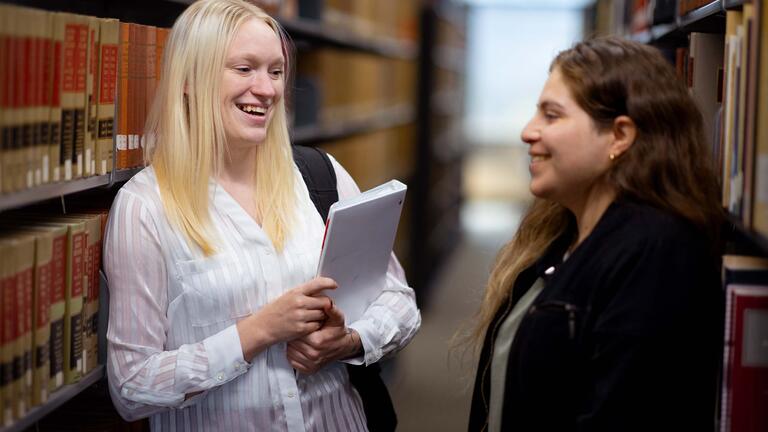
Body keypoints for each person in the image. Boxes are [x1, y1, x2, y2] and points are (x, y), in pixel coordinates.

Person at [103, 1, 421, 430]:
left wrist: (347, 342)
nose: (267, 89)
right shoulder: (145, 207)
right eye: (244, 68)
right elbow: (131, 386)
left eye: (275, 71)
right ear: (190, 80)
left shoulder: (319, 177)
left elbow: (399, 301)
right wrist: (257, 332)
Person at [467, 37, 724, 432]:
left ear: (619, 136)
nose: (527, 132)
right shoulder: (563, 233)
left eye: (551, 116)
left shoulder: (658, 253)